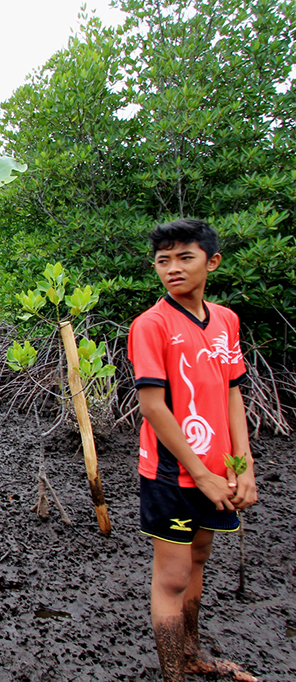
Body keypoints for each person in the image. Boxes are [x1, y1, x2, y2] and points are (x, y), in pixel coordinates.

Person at [127, 218, 258, 682]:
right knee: (173, 576)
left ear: (212, 261)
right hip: (172, 473)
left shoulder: (226, 320)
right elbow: (152, 406)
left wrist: (243, 466)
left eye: (185, 258)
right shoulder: (151, 325)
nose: (173, 269)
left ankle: (192, 654)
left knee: (199, 558)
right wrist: (200, 473)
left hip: (219, 471)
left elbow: (232, 392)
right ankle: (173, 675)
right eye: (163, 261)